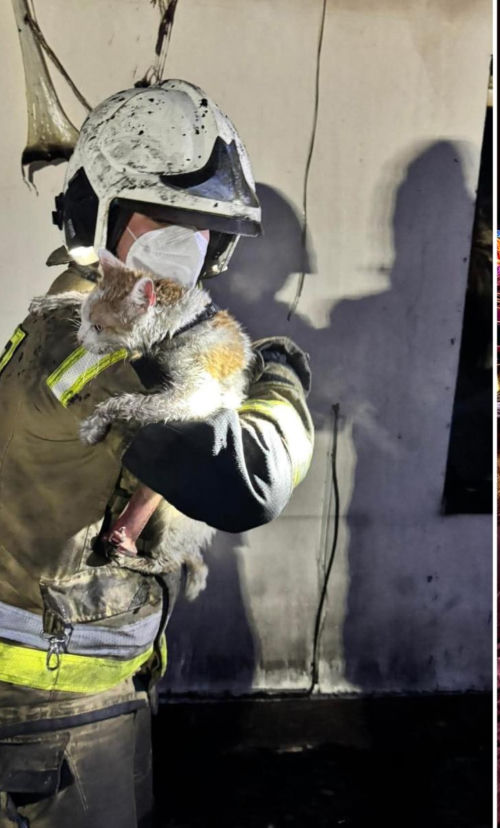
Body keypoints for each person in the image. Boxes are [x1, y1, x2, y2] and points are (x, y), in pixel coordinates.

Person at [0, 79, 313, 827]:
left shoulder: (73, 314)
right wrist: (283, 381)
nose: (184, 245)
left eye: (199, 225)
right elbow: (248, 484)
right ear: (96, 212)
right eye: (160, 218)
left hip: (69, 681)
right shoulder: (100, 345)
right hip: (54, 706)